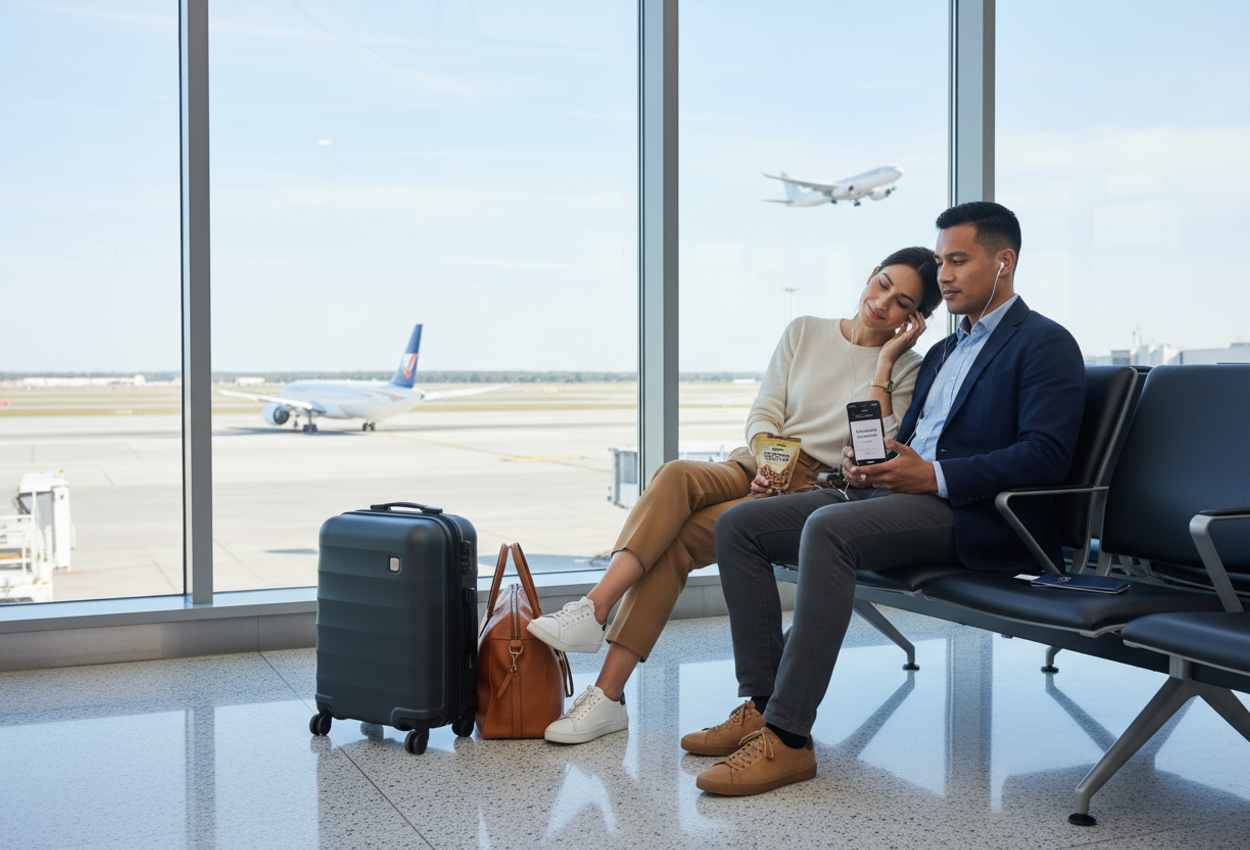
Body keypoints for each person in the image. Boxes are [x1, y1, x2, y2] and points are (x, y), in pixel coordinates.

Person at [688, 201, 1085, 796]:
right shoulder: (945, 354)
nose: (943, 275)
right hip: (899, 500)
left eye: (957, 260)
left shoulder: (1045, 344)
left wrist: (933, 476)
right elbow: (909, 437)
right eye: (942, 261)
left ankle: (790, 741)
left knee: (828, 528)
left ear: (1003, 263)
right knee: (741, 526)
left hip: (975, 516)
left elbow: (1046, 455)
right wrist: (868, 463)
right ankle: (763, 706)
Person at [526, 246, 943, 744]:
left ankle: (606, 690)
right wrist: (769, 461)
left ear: (915, 320)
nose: (882, 302)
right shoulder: (805, 330)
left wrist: (885, 363)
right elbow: (765, 408)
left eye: (902, 302)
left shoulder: (906, 369)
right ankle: (593, 611)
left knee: (674, 545)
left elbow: (875, 447)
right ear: (871, 274)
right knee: (676, 473)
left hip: (815, 485)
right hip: (761, 459)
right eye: (883, 284)